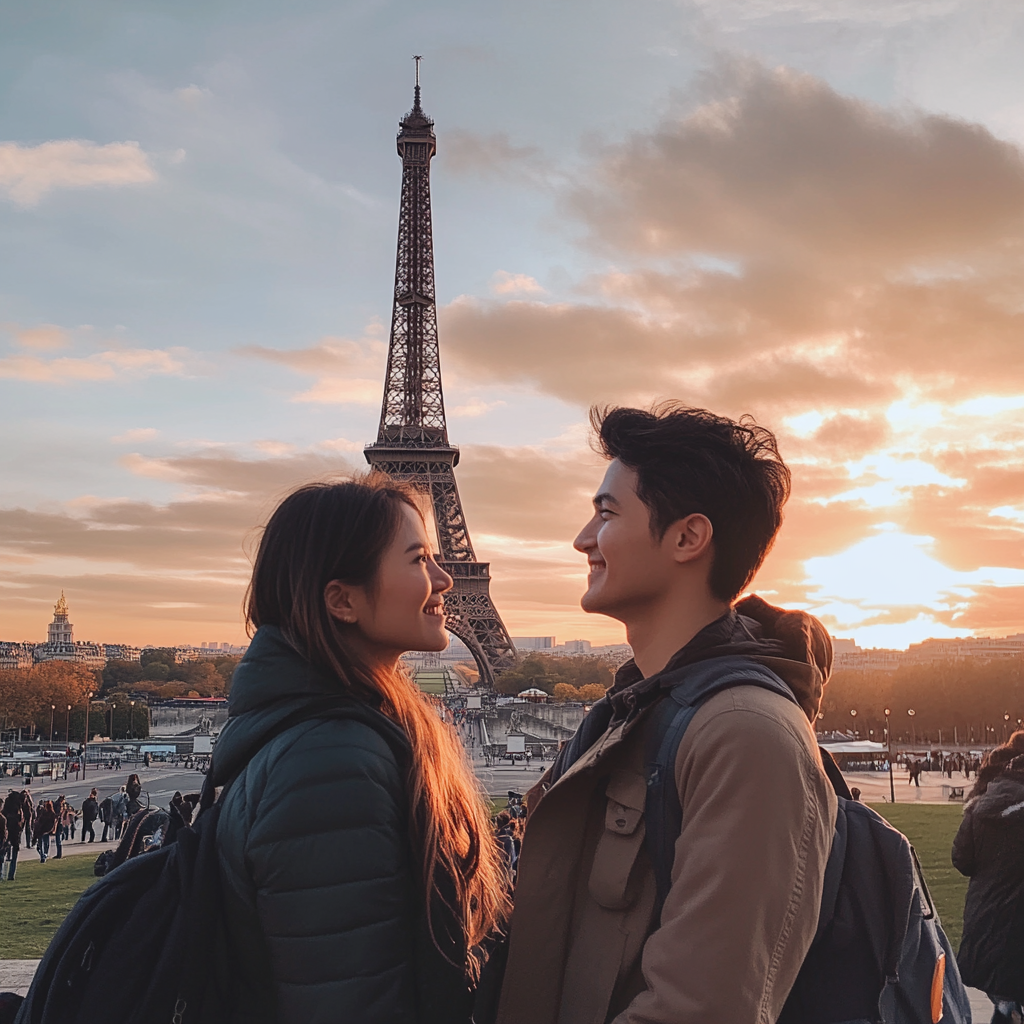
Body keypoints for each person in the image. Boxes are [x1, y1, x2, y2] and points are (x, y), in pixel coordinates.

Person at [494, 404, 836, 1024]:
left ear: (687, 537)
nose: (582, 539)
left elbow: (700, 1010)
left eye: (607, 513)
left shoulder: (746, 736)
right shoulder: (638, 710)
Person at [212, 477, 508, 1024]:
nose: (444, 578)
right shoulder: (332, 762)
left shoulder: (328, 739)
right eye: (419, 559)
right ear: (342, 600)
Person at [953, 732, 1024, 1022]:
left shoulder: (979, 807)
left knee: (1005, 1005)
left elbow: (961, 860)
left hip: (985, 924)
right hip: (1015, 931)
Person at [1, 791, 24, 880]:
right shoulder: (18, 812)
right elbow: (20, 825)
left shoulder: (5, 812)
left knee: (3, 855)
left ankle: (1, 873)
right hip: (15, 835)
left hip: (6, 835)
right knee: (14, 856)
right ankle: (11, 875)